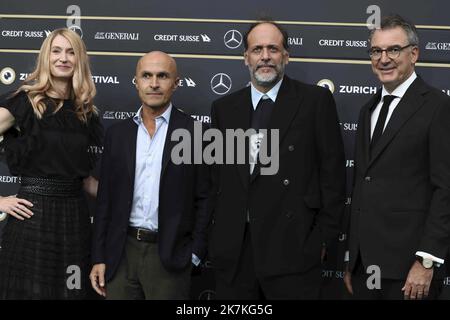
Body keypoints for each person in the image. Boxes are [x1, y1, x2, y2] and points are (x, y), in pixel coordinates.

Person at [208, 20, 346, 299]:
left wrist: (319, 240)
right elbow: (218, 180)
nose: (265, 56)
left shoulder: (315, 101)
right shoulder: (224, 108)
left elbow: (333, 177)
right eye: (257, 49)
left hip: (293, 253)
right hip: (235, 256)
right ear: (245, 57)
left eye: (273, 48)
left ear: (286, 55)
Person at [344, 14, 450, 300]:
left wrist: (426, 260)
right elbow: (364, 185)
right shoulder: (368, 110)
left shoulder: (439, 107)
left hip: (410, 270)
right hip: (365, 267)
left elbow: (446, 189)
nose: (383, 58)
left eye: (393, 49)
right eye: (376, 51)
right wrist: (351, 260)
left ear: (414, 54)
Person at [89, 51, 210, 300]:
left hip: (169, 256)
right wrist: (99, 256)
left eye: (162, 76)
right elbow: (105, 202)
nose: (154, 83)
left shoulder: (197, 133)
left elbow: (207, 199)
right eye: (146, 76)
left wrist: (194, 254)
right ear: (136, 82)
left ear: (176, 83)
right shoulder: (118, 135)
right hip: (120, 253)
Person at [0, 28, 103, 299]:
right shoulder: (24, 102)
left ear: (80, 59)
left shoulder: (86, 112)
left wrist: (130, 201)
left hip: (74, 219)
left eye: (71, 52)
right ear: (46, 57)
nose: (63, 58)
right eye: (56, 51)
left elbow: (84, 178)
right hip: (32, 217)